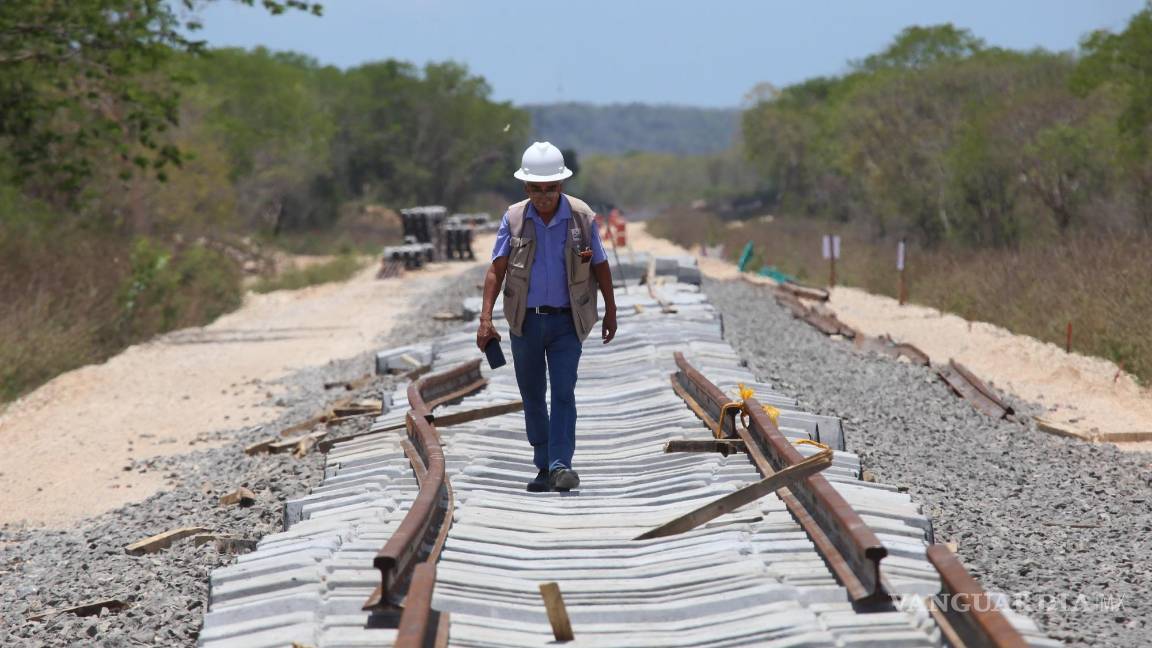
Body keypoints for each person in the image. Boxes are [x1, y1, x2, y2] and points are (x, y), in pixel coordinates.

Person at [476, 142, 618, 492]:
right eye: (536, 189)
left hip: (567, 323)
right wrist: (485, 319)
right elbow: (497, 269)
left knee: (564, 392)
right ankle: (543, 465)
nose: (543, 196)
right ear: (526, 188)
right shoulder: (513, 218)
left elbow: (600, 264)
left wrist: (611, 311)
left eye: (550, 189)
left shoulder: (582, 218)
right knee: (533, 394)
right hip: (525, 322)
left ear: (561, 186)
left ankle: (560, 465)